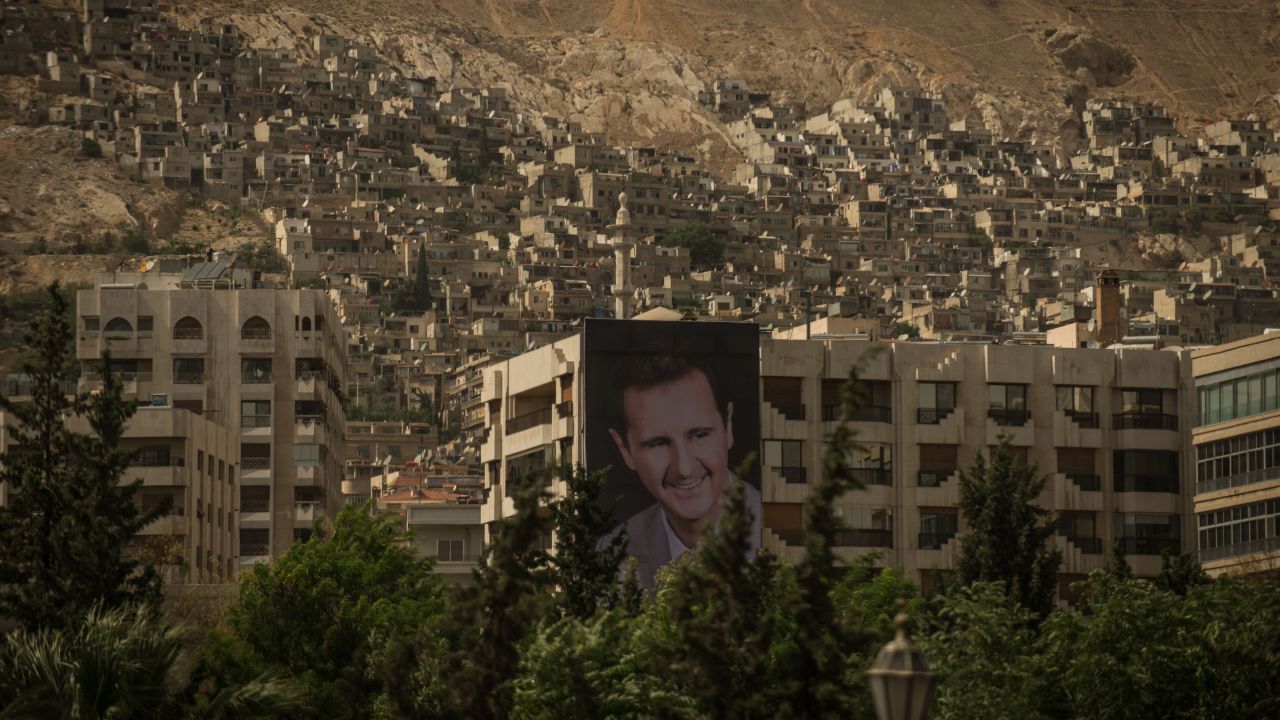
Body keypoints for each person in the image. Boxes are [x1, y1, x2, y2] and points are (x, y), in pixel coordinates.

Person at [599, 352, 760, 590]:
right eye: (658, 444)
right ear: (625, 449)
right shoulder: (613, 550)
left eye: (699, 435)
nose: (684, 468)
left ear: (728, 426)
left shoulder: (773, 530)